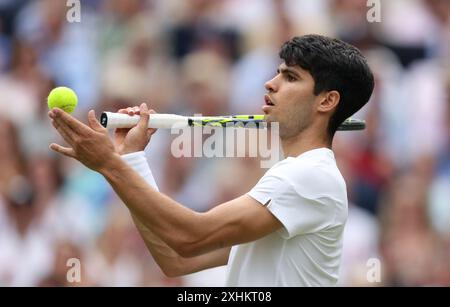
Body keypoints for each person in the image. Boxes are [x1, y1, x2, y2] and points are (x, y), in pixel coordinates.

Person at [48, 34, 374, 286]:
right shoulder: (295, 178)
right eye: (278, 73)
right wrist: (130, 159)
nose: (270, 83)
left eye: (290, 78)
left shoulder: (309, 175)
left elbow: (190, 237)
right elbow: (176, 258)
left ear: (328, 101)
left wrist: (109, 164)